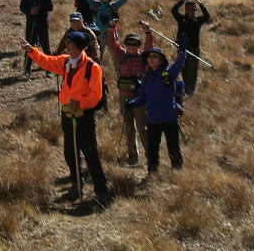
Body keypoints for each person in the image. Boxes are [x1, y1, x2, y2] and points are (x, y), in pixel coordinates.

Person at [22, 29, 110, 204]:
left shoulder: (93, 67)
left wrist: (80, 103)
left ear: (78, 46)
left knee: (90, 152)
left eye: (69, 43)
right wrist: (32, 51)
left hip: (84, 114)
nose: (66, 46)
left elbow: (96, 95)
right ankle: (77, 186)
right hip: (68, 113)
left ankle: (102, 190)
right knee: (70, 151)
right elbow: (47, 62)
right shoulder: (66, 62)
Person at [128, 41, 188, 174]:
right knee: (153, 149)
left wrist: (182, 51)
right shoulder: (146, 78)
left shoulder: (169, 74)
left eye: (154, 57)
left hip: (169, 118)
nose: (151, 59)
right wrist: (133, 103)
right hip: (152, 120)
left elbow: (179, 63)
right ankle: (152, 174)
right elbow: (142, 97)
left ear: (161, 61)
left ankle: (177, 173)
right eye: (149, 57)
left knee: (173, 147)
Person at [104, 26, 155, 164]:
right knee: (128, 126)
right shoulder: (121, 55)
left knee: (142, 127)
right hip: (124, 96)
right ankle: (132, 156)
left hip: (139, 98)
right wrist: (111, 29)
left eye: (136, 44)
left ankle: (151, 156)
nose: (132, 47)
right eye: (130, 44)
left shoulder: (143, 58)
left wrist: (148, 32)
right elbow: (113, 43)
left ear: (139, 45)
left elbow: (150, 47)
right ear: (126, 44)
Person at [170, 0, 213, 95]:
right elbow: (173, 10)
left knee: (192, 71)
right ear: (185, 9)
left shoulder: (198, 21)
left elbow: (207, 15)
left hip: (194, 50)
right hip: (182, 49)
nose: (190, 11)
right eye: (188, 8)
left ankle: (191, 91)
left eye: (193, 9)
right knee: (184, 70)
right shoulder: (181, 19)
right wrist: (183, 0)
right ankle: (185, 89)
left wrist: (200, 3)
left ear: (195, 10)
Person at [19, 0, 54, 75]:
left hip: (42, 23)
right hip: (30, 23)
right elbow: (22, 7)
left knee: (45, 46)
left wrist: (39, 9)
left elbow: (50, 6)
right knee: (29, 45)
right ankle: (27, 68)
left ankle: (49, 69)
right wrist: (30, 11)